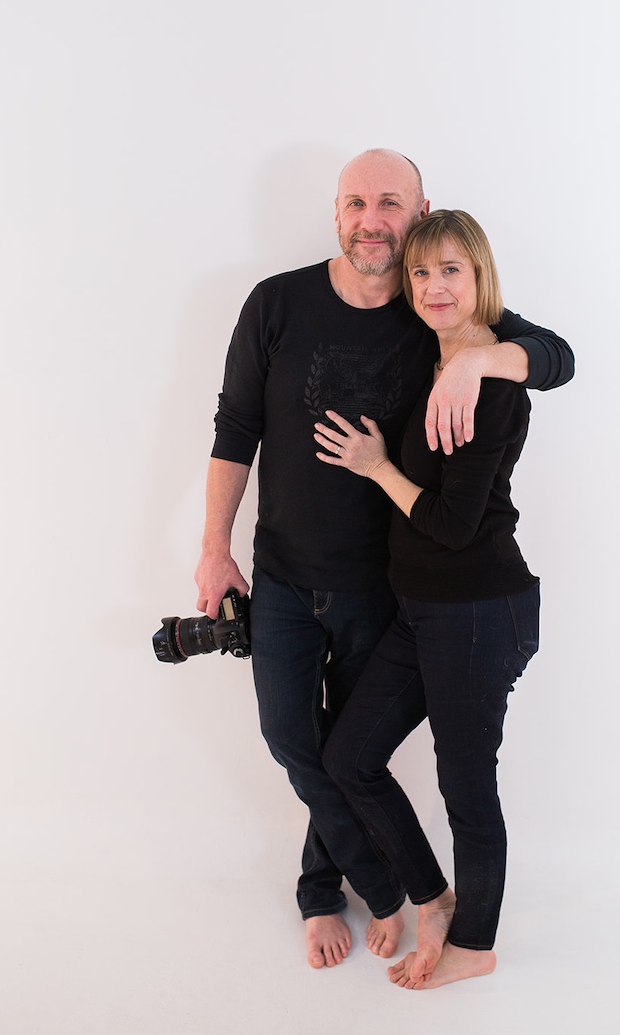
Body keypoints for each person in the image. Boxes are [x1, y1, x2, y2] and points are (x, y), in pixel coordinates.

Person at [194, 150, 573, 970]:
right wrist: (213, 548)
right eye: (356, 202)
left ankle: (328, 892)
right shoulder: (278, 302)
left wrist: (481, 357)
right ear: (337, 213)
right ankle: (397, 890)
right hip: (287, 573)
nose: (372, 219)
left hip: (388, 586)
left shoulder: (437, 308)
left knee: (354, 751)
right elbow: (235, 429)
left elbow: (557, 356)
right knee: (299, 741)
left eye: (390, 202)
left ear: (420, 210)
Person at [317, 208, 546, 989]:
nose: (434, 286)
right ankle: (434, 898)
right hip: (422, 611)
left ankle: (475, 949)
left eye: (452, 269)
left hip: (479, 610)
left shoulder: (491, 379)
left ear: (480, 276)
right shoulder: (438, 355)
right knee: (349, 756)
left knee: (465, 788)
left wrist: (377, 466)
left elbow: (453, 527)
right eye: (421, 272)